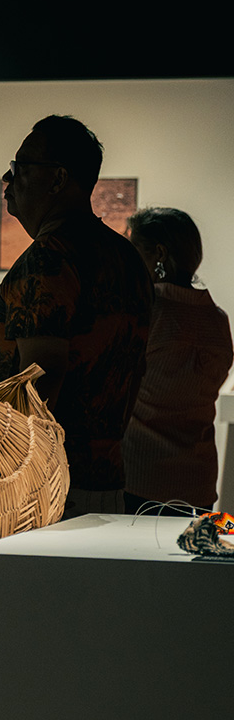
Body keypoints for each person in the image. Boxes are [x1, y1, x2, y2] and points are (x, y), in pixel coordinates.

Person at [0, 115, 153, 518]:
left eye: (21, 167)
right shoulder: (125, 257)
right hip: (100, 477)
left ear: (58, 179)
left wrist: (9, 476)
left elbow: (41, 376)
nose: (8, 178)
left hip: (43, 490)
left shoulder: (51, 257)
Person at [122, 207, 233, 515]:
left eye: (134, 250)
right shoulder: (217, 319)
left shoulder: (145, 311)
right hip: (198, 478)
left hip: (141, 475)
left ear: (159, 254)